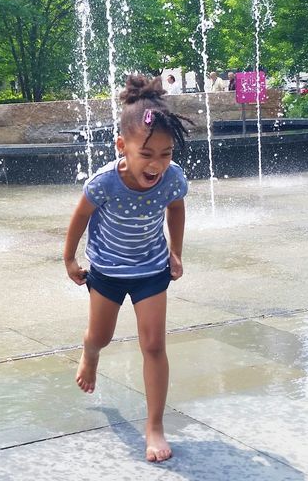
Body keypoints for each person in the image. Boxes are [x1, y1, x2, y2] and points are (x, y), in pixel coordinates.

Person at [63, 74, 190, 463]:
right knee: (100, 336)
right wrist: (69, 258)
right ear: (123, 146)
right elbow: (80, 216)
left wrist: (176, 252)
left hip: (151, 269)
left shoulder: (171, 179)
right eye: (147, 154)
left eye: (166, 154)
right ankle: (90, 352)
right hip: (107, 271)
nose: (157, 165)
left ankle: (154, 426)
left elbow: (177, 209)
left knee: (153, 344)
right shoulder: (104, 183)